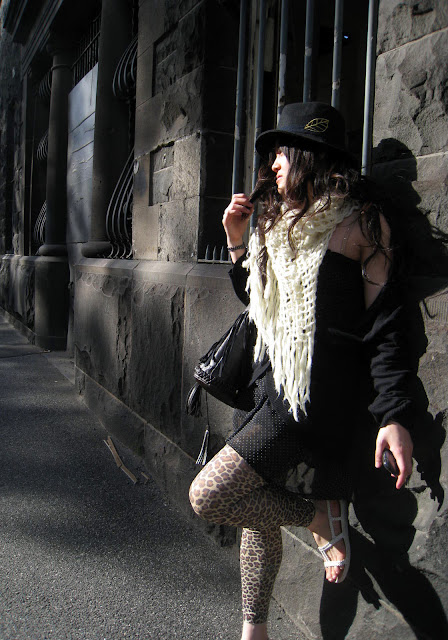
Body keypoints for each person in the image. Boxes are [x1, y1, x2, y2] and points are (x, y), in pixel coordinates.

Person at [188, 102, 415, 640]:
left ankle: (318, 518)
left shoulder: (361, 225)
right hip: (268, 386)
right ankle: (255, 630)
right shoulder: (276, 224)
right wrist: (237, 239)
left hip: (313, 398)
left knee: (208, 495)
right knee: (253, 510)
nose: (272, 166)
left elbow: (386, 329)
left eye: (282, 155)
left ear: (309, 157)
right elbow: (256, 302)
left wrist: (394, 416)